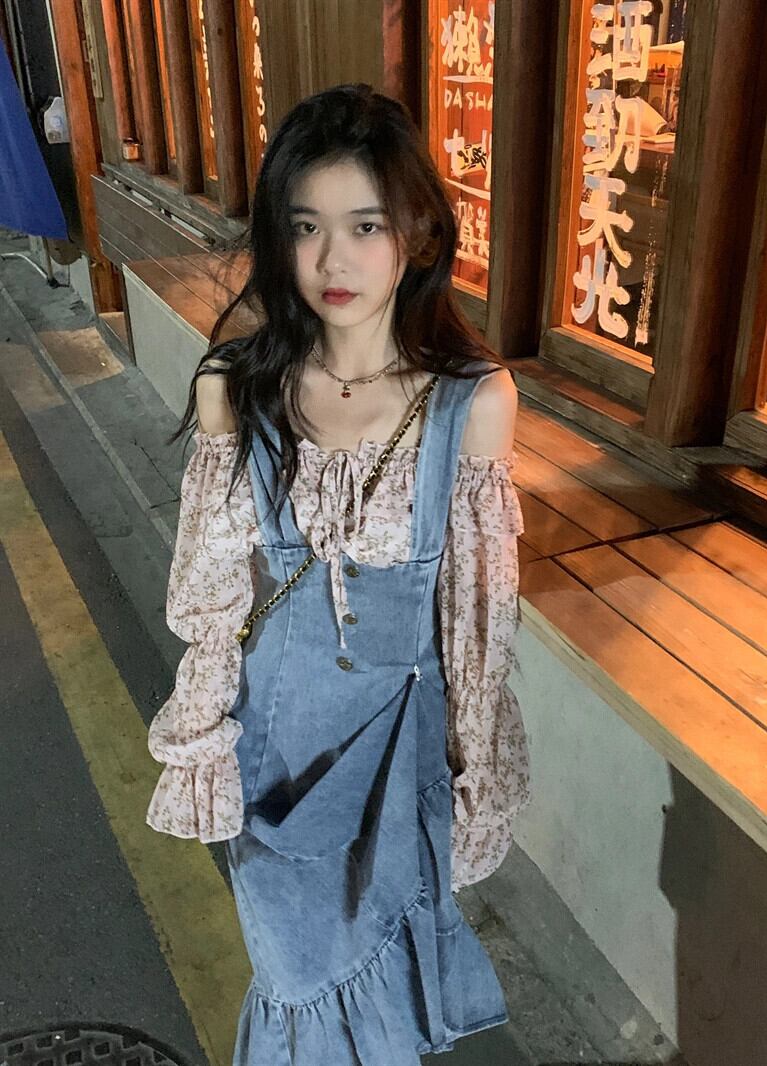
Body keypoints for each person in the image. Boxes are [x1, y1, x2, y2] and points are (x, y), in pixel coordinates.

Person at [145, 82, 532, 1065]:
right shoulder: (238, 385)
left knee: (384, 984)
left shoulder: (472, 402)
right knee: (293, 979)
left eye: (364, 225)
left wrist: (473, 766)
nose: (332, 260)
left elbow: (476, 624)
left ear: (418, 232)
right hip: (278, 757)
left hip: (401, 755)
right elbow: (213, 596)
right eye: (305, 226)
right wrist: (203, 734)